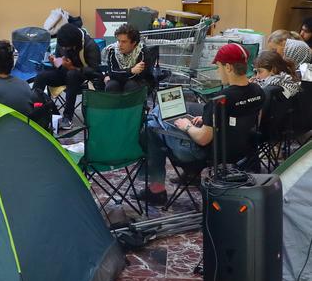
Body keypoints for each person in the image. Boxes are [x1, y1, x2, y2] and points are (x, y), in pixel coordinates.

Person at [139, 44, 264, 206]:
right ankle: (190, 174)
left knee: (150, 127)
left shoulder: (221, 100)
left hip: (203, 153)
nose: (218, 71)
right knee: (163, 116)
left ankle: (156, 190)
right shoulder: (258, 91)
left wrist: (186, 126)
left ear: (228, 67)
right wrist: (209, 120)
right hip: (238, 151)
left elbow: (203, 139)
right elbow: (249, 121)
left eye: (218, 67)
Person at [32, 23, 102, 129]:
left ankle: (67, 117)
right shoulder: (62, 43)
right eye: (63, 46)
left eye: (67, 47)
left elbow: (95, 71)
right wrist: (55, 62)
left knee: (72, 74)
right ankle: (35, 110)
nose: (64, 48)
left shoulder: (90, 45)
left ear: (75, 43)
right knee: (41, 76)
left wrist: (73, 68)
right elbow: (60, 62)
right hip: (65, 72)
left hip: (83, 76)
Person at [104, 23, 156, 93]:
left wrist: (118, 74)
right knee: (111, 85)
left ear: (134, 42)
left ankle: (132, 104)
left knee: (131, 85)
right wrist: (131, 71)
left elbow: (138, 76)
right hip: (121, 80)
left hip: (140, 82)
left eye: (124, 42)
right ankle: (113, 104)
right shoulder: (113, 50)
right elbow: (112, 73)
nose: (120, 45)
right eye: (119, 41)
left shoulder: (143, 52)